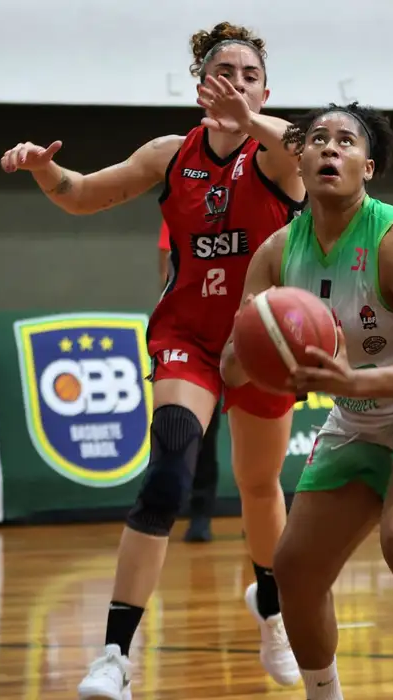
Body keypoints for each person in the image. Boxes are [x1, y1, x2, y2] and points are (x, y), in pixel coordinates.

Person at [0, 22, 306, 698]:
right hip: (187, 341)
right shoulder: (171, 155)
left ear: (265, 92)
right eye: (225, 72)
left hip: (259, 345)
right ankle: (114, 656)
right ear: (201, 87)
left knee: (259, 485)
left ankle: (272, 612)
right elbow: (83, 193)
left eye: (251, 76)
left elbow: (304, 146)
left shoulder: (277, 158)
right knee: (167, 476)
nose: (238, 83)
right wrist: (45, 170)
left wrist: (250, 121)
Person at [212, 99, 393, 700]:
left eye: (347, 141)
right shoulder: (276, 253)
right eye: (318, 138)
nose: (330, 147)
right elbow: (231, 367)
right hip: (361, 414)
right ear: (299, 159)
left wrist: (351, 383)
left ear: (367, 168)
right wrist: (259, 350)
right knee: (294, 569)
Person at [157, 219, 222, 543]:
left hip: (247, 325)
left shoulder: (259, 203)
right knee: (199, 433)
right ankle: (200, 512)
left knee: (259, 431)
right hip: (197, 337)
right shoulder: (182, 205)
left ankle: (259, 511)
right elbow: (166, 272)